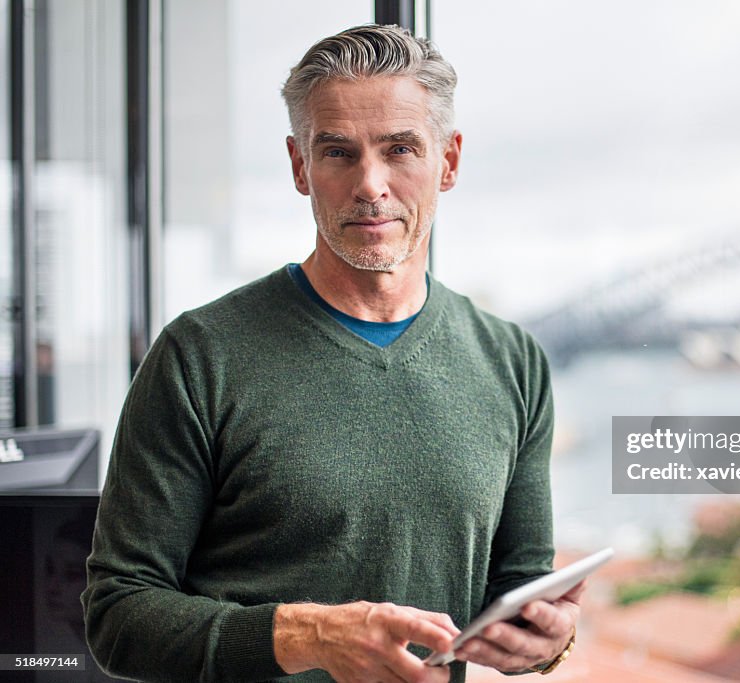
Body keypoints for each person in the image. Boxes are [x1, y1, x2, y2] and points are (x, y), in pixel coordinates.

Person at [83, 24, 580, 683]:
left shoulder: (513, 362)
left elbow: (518, 590)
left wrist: (547, 641)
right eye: (339, 152)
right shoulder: (198, 357)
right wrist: (306, 635)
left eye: (400, 149)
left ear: (449, 161)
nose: (370, 184)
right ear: (299, 165)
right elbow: (116, 615)